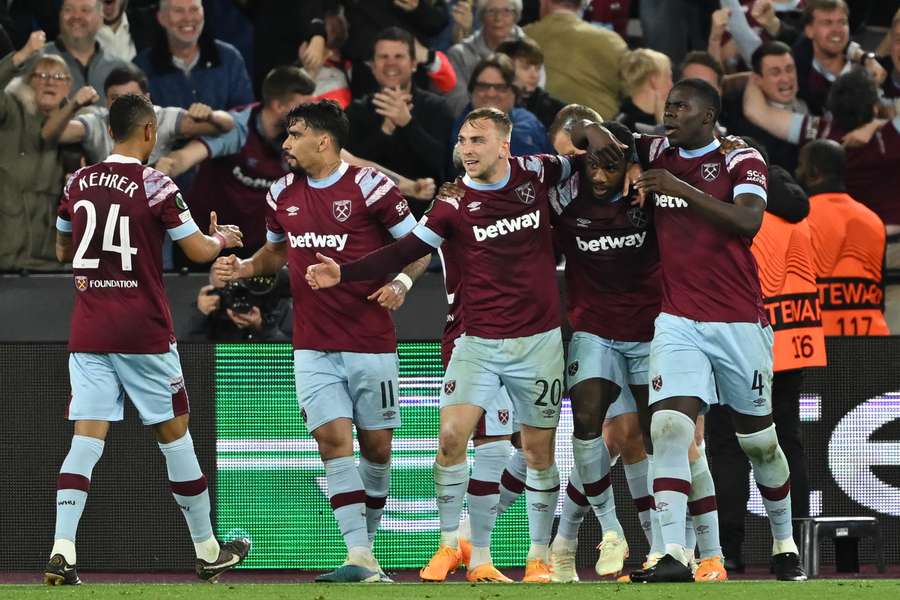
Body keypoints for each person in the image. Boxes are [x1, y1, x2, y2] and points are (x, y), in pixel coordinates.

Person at [306, 106, 626, 583]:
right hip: (476, 340)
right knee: (452, 438)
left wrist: (583, 124)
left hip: (537, 341)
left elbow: (599, 157)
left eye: (478, 140)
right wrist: (344, 272)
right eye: (462, 141)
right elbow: (406, 248)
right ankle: (451, 544)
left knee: (538, 451)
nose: (467, 149)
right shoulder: (452, 204)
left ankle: (538, 557)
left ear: (504, 144)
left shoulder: (537, 171)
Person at [212, 100, 430, 583]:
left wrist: (401, 283)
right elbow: (274, 253)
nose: (285, 144)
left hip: (371, 340)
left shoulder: (371, 187)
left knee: (377, 450)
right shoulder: (280, 193)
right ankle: (357, 555)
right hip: (311, 344)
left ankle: (367, 556)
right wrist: (244, 267)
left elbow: (418, 247)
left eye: (294, 135)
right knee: (332, 442)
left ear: (324, 141)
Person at [47, 92, 249, 586]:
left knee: (86, 441)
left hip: (89, 329)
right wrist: (225, 239)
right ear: (148, 133)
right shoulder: (156, 183)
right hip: (143, 331)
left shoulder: (78, 181)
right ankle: (207, 550)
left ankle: (62, 550)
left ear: (109, 131)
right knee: (175, 436)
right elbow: (199, 249)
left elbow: (60, 247)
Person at [611, 78, 806, 582]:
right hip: (678, 320)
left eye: (680, 108)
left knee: (759, 443)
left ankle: (785, 543)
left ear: (708, 117)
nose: (669, 114)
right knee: (669, 428)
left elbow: (747, 221)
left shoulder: (742, 158)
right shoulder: (656, 148)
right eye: (668, 105)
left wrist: (679, 189)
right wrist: (605, 142)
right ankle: (673, 553)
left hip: (740, 322)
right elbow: (597, 136)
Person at [707, 137, 825, 572]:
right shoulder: (797, 208)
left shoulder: (741, 211)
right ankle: (797, 545)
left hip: (747, 338)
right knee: (788, 442)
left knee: (728, 444)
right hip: (798, 334)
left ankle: (728, 550)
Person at [0, 31, 95, 272]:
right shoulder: (10, 112)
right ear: (29, 82)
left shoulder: (78, 127)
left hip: (50, 261)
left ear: (69, 86)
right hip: (5, 252)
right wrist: (21, 55)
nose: (50, 81)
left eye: (59, 77)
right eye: (42, 75)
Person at [41, 64, 234, 167]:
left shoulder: (164, 118)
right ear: (106, 101)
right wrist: (73, 105)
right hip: (105, 215)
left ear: (148, 98)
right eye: (115, 98)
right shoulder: (98, 122)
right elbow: (48, 135)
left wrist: (211, 115)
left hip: (151, 216)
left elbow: (227, 125)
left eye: (131, 97)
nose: (124, 105)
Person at [346, 27, 455, 202]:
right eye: (383, 57)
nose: (391, 63)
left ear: (413, 64)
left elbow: (444, 164)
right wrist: (385, 130)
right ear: (372, 66)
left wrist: (407, 123)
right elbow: (350, 169)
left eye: (399, 56)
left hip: (426, 211)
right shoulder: (356, 111)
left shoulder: (437, 108)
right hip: (371, 212)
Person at [796, 139, 890, 336]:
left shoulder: (799, 219)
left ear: (813, 172)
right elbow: (879, 295)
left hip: (818, 342)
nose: (797, 172)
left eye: (800, 166)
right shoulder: (873, 219)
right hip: (872, 339)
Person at [133, 0, 254, 111]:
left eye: (194, 9)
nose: (188, 18)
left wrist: (214, 122)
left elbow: (244, 115)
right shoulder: (142, 67)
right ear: (161, 18)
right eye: (178, 11)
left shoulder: (229, 58)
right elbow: (137, 124)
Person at [524, 0, 627, 119]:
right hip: (603, 128)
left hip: (544, 128)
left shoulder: (524, 37)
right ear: (584, 4)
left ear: (543, 2)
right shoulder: (612, 41)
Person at [448, 53, 551, 164]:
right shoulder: (453, 131)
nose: (491, 94)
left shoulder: (531, 124)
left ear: (514, 92)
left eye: (500, 87)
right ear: (472, 90)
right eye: (483, 86)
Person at [445, 0, 529, 115]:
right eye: (491, 11)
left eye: (506, 11)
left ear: (516, 15)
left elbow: (534, 97)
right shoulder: (459, 55)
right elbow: (456, 104)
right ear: (481, 17)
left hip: (519, 123)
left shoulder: (530, 51)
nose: (498, 18)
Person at [39, 0, 126, 105]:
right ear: (60, 15)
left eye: (85, 10)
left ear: (100, 18)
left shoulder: (119, 69)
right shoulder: (37, 61)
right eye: (68, 9)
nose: (76, 16)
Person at [188, 265, 292, 342]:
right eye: (226, 290)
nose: (237, 297)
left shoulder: (276, 304)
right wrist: (200, 315)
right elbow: (191, 357)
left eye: (239, 288)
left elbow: (292, 355)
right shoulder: (214, 311)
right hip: (227, 370)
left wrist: (261, 327)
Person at [495, 37, 566, 131]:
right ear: (505, 69)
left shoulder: (557, 111)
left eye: (537, 69)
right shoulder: (487, 103)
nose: (534, 75)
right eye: (525, 68)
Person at [616, 48, 673, 134]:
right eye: (668, 77)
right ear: (654, 80)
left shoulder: (621, 119)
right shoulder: (625, 128)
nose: (671, 84)